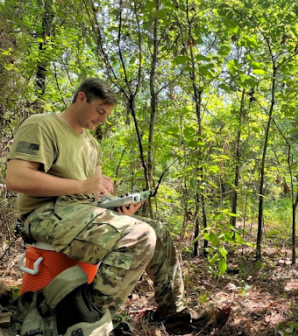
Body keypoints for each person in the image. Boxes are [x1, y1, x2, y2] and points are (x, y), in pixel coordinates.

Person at [6, 78, 210, 332]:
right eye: (100, 111)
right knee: (138, 235)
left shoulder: (91, 144)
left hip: (82, 212)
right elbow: (16, 178)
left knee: (158, 232)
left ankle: (174, 315)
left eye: (107, 114)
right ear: (81, 98)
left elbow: (93, 194)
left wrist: (114, 208)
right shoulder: (42, 125)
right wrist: (83, 186)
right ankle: (82, 320)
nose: (103, 119)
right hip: (45, 213)